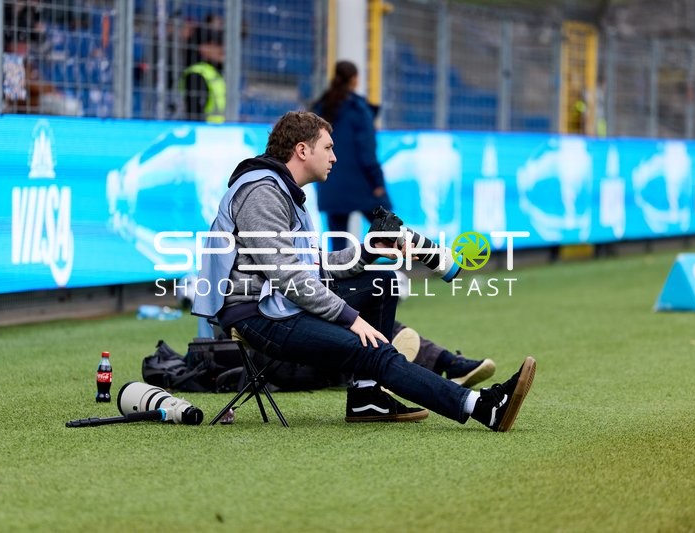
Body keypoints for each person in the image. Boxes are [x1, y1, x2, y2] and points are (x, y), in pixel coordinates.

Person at [192, 110, 535, 431]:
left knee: (382, 283)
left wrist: (369, 251)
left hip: (278, 303)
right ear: (301, 150)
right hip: (258, 315)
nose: (334, 157)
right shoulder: (263, 192)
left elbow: (315, 268)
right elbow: (288, 276)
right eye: (327, 147)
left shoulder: (283, 191)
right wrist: (350, 318)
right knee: (372, 347)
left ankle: (366, 397)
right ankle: (482, 406)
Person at [312, 60, 392, 251]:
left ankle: (338, 280)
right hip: (361, 183)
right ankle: (401, 268)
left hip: (330, 182)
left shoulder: (320, 108)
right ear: (355, 79)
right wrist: (377, 183)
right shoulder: (358, 109)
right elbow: (367, 151)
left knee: (338, 243)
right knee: (389, 229)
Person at [179, 23, 225, 123]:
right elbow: (193, 114)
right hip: (205, 134)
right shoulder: (197, 74)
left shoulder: (212, 72)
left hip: (217, 132)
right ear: (203, 48)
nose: (222, 49)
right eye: (216, 44)